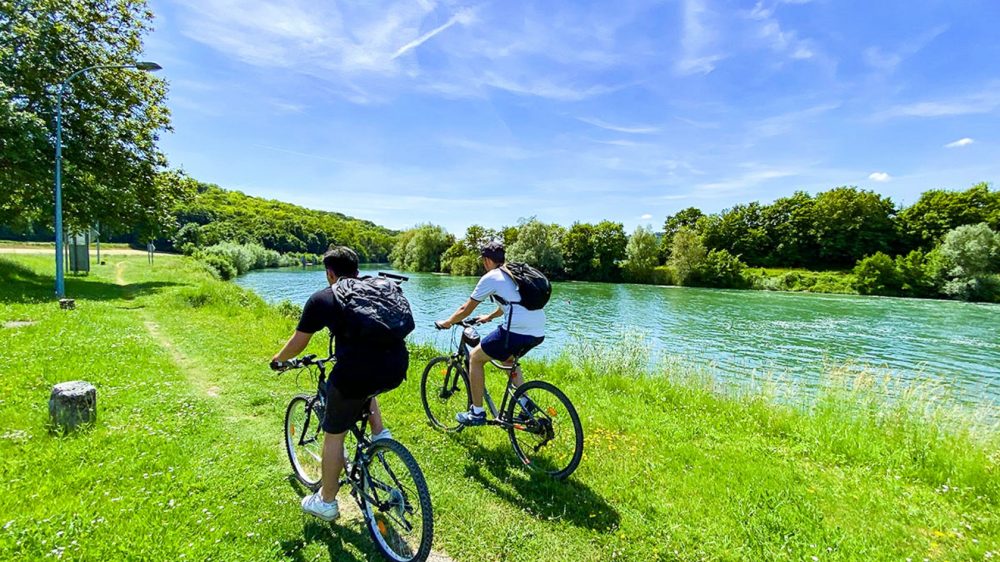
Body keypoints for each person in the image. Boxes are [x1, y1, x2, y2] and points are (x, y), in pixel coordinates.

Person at [271, 246, 409, 522]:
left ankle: (327, 502)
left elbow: (299, 343)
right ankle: (380, 435)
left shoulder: (323, 298)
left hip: (357, 373)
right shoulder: (379, 288)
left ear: (329, 273)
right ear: (357, 271)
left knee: (334, 434)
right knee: (366, 388)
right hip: (396, 366)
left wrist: (277, 359)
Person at [436, 241, 545, 426]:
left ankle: (476, 412)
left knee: (476, 358)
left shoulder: (491, 277)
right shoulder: (513, 274)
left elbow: (465, 309)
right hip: (538, 330)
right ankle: (525, 402)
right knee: (508, 359)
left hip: (516, 330)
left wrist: (447, 322)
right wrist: (490, 316)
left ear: (486, 260)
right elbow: (510, 303)